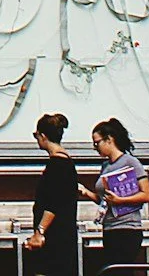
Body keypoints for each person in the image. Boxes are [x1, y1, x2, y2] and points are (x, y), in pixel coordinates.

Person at [23, 112, 88, 276]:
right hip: (64, 235)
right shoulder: (66, 163)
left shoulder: (56, 165)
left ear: (43, 136)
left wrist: (40, 232)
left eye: (36, 135)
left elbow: (53, 203)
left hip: (56, 237)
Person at [91, 118, 149, 273]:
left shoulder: (130, 162)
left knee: (120, 269)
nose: (95, 148)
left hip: (127, 227)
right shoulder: (106, 166)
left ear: (109, 140)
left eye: (97, 143)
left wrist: (121, 200)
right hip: (109, 227)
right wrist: (86, 193)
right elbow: (103, 199)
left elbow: (146, 194)